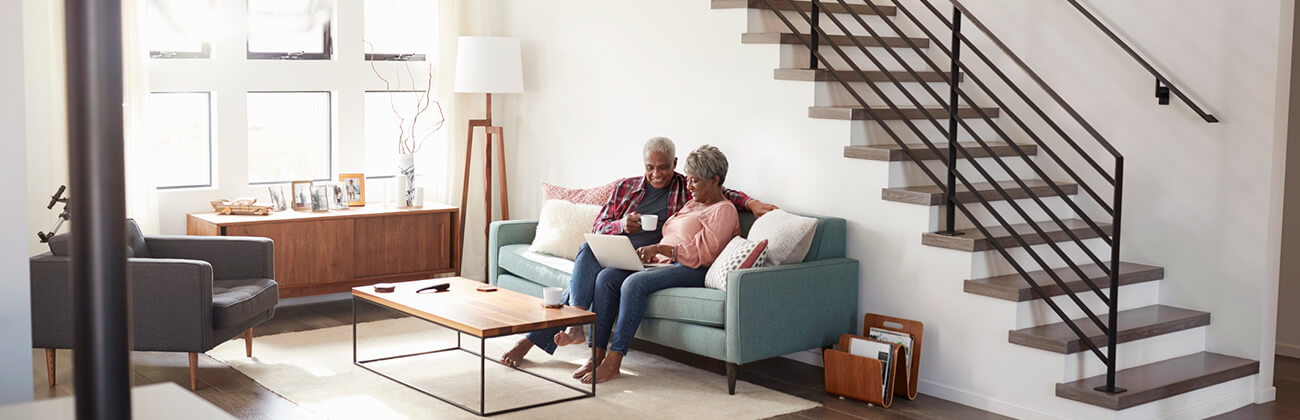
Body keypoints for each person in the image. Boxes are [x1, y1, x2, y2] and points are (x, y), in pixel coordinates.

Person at [499, 137, 778, 374]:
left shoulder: (686, 189)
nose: (657, 173)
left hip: (659, 256)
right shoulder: (628, 188)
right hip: (624, 248)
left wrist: (751, 202)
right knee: (588, 252)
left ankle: (564, 337)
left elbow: (719, 193)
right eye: (650, 167)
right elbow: (598, 227)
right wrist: (622, 225)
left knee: (604, 279)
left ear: (675, 164)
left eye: (664, 167)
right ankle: (583, 333)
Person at [581, 144, 740, 384]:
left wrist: (660, 249)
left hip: (693, 270)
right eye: (688, 180)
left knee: (634, 283)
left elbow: (703, 254)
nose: (689, 186)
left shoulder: (723, 211)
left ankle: (615, 361)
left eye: (695, 181)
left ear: (715, 180)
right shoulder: (692, 204)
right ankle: (596, 354)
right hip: (665, 264)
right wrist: (653, 255)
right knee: (607, 277)